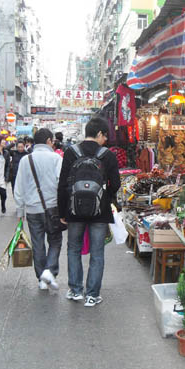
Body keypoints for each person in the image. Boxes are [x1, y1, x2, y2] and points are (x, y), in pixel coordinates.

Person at [58, 117, 120, 307]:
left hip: (74, 211)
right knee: (97, 253)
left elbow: (62, 185)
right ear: (100, 134)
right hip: (99, 213)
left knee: (73, 249)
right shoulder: (107, 155)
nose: (106, 140)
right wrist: (105, 199)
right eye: (105, 136)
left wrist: (62, 212)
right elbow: (116, 184)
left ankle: (76, 290)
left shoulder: (71, 152)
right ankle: (92, 295)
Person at [14, 128, 64, 291]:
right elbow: (61, 184)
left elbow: (19, 188)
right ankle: (50, 270)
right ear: (49, 141)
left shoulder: (25, 160)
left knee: (38, 243)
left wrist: (20, 212)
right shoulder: (56, 158)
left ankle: (41, 277)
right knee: (55, 241)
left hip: (32, 210)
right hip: (53, 208)